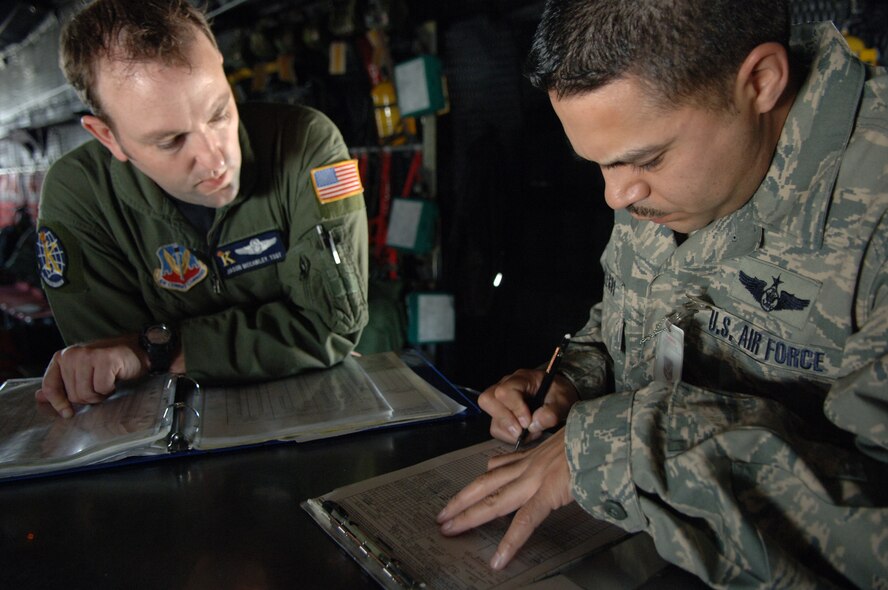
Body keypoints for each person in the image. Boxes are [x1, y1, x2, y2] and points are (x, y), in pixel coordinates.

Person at [437, 1, 888, 587]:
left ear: (760, 82)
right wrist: (578, 377)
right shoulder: (667, 167)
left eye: (643, 160)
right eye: (598, 165)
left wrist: (627, 447)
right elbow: (647, 315)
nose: (616, 197)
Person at [35, 0, 369, 419]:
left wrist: (155, 349)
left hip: (314, 413)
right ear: (109, 138)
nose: (215, 160)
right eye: (171, 141)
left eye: (220, 113)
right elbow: (110, 372)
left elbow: (332, 325)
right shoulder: (80, 196)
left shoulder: (309, 145)